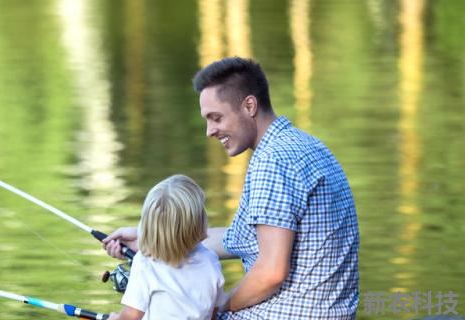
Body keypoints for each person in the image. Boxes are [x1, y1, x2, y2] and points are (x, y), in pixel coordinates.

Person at [104, 57, 360, 319]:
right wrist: (154, 238)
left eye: (216, 118)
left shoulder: (273, 161)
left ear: (249, 105)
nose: (209, 131)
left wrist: (221, 306)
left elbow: (271, 273)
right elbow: (240, 240)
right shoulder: (305, 145)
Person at [109, 174, 226, 320]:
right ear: (199, 224)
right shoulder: (210, 260)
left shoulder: (145, 263)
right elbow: (214, 311)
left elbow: (131, 317)